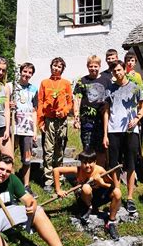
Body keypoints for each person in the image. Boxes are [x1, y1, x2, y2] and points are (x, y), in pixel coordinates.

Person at [103, 60, 143, 215]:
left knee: (131, 164)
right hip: (114, 131)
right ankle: (117, 192)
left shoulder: (135, 88)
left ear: (124, 70)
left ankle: (129, 197)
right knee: (114, 164)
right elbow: (106, 112)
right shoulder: (110, 89)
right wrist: (105, 134)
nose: (117, 73)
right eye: (115, 72)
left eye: (120, 70)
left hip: (130, 131)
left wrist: (137, 118)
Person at [53, 149, 122, 240]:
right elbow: (56, 170)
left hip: (98, 198)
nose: (87, 166)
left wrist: (102, 183)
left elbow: (113, 186)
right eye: (84, 163)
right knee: (86, 187)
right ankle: (89, 208)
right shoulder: (78, 170)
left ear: (95, 162)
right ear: (80, 163)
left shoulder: (100, 170)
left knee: (117, 193)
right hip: (84, 200)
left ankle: (110, 222)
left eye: (90, 162)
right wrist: (58, 190)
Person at [37, 57, 73, 193]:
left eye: (59, 67)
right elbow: (40, 103)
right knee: (48, 150)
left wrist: (64, 112)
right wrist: (40, 122)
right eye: (54, 66)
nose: (56, 68)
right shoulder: (44, 83)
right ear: (50, 66)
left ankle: (59, 176)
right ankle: (48, 180)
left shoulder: (66, 83)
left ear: (62, 69)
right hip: (49, 120)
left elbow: (70, 103)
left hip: (61, 121)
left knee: (59, 149)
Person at [73, 55, 109, 166]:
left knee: (101, 149)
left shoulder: (106, 81)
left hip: (101, 120)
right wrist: (76, 118)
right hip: (87, 120)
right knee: (87, 147)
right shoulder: (82, 81)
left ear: (100, 66)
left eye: (95, 66)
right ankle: (88, 174)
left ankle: (100, 173)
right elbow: (77, 100)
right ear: (87, 66)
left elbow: (110, 100)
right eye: (91, 66)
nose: (93, 68)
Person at [12, 62, 38, 197]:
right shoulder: (12, 87)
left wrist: (35, 130)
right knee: (9, 156)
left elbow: (34, 110)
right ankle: (9, 184)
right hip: (13, 127)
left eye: (29, 73)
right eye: (25, 71)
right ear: (20, 72)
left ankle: (25, 185)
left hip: (27, 127)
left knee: (27, 158)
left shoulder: (33, 89)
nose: (26, 75)